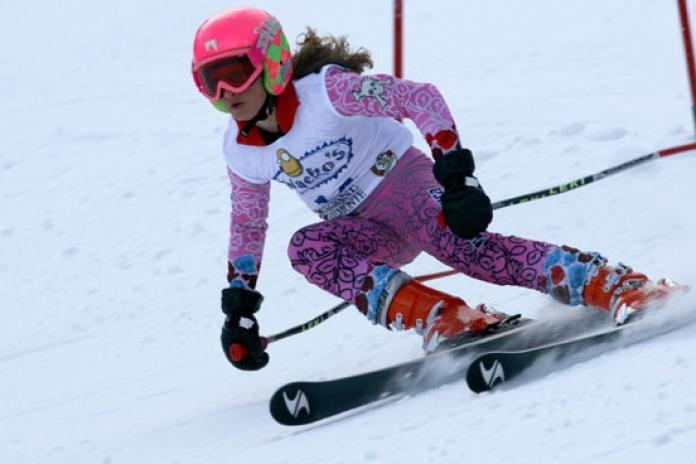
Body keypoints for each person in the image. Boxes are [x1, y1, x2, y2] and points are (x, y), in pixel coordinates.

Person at [191, 7, 676, 371]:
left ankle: (617, 284)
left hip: (403, 186)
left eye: (235, 75)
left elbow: (418, 98)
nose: (224, 94)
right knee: (307, 249)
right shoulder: (241, 150)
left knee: (468, 252)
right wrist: (239, 307)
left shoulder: (328, 92)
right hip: (362, 227)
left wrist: (457, 175)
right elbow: (248, 224)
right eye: (209, 82)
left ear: (272, 63)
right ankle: (446, 317)